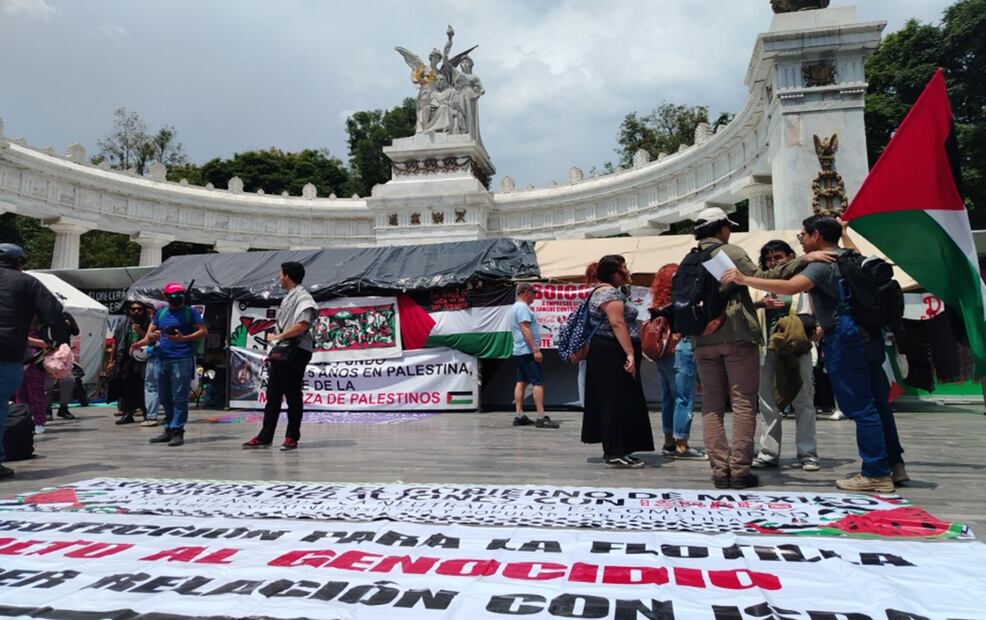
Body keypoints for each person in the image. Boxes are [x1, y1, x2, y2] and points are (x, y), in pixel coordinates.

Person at [723, 215, 907, 493]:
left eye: (804, 233)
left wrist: (744, 278)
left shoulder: (822, 264)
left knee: (861, 407)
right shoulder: (850, 256)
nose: (800, 237)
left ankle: (875, 472)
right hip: (868, 335)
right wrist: (844, 232)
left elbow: (790, 287)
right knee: (879, 403)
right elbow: (854, 250)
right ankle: (895, 466)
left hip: (845, 338)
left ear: (817, 235)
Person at [689, 207, 833, 489]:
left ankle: (720, 471)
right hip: (736, 338)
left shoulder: (691, 257)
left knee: (712, 406)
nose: (729, 232)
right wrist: (805, 259)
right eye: (727, 227)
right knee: (744, 404)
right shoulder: (728, 252)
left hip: (703, 340)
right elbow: (761, 276)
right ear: (720, 229)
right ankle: (740, 470)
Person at [0, 243, 68, 478]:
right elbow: (53, 311)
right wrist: (61, 341)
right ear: (19, 263)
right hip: (7, 352)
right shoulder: (26, 282)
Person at [751, 241, 819, 472]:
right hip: (766, 347)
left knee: (803, 400)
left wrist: (818, 328)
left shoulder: (803, 280)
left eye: (778, 257)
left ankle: (807, 453)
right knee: (768, 402)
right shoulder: (760, 283)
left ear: (791, 256)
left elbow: (816, 310)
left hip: (796, 347)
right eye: (769, 259)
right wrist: (762, 304)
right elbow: (746, 308)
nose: (773, 262)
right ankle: (769, 452)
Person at [581, 254, 654, 468]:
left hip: (611, 350)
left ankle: (620, 448)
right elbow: (617, 323)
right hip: (611, 352)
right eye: (623, 267)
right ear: (615, 272)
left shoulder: (611, 291)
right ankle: (614, 451)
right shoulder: (608, 293)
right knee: (613, 401)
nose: (627, 271)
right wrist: (630, 353)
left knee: (621, 400)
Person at [243, 262, 318, 450]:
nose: (279, 278)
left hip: (296, 350)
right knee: (273, 394)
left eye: (280, 274)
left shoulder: (303, 297)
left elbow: (303, 324)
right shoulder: (289, 298)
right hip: (281, 350)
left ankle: (292, 436)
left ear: (287, 276)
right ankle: (265, 436)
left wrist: (279, 336)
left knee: (292, 394)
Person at [649, 264, 705, 460]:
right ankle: (682, 443)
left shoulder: (658, 304)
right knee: (684, 397)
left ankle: (669, 441)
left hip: (663, 353)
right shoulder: (681, 300)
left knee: (668, 398)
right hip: (681, 347)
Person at [146, 282, 207, 447]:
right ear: (166, 297)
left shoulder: (190, 312)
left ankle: (178, 430)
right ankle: (169, 428)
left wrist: (184, 338)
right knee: (165, 397)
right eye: (173, 295)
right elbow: (150, 333)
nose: (177, 298)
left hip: (182, 358)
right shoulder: (161, 312)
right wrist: (154, 334)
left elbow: (203, 331)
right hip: (162, 358)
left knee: (179, 397)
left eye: (180, 294)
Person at [510, 283, 558, 429]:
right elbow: (525, 328)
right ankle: (541, 417)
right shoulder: (523, 308)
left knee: (522, 381)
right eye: (533, 293)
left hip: (519, 350)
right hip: (527, 350)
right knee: (538, 382)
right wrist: (535, 350)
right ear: (525, 292)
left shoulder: (514, 307)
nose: (535, 296)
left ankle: (519, 415)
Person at [115, 303, 151, 425]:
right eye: (133, 309)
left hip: (144, 358)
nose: (136, 311)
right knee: (127, 386)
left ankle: (147, 413)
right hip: (127, 358)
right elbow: (116, 341)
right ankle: (127, 413)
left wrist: (141, 332)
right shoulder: (124, 323)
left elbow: (152, 339)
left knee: (143, 386)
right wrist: (111, 361)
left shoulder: (149, 323)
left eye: (139, 309)